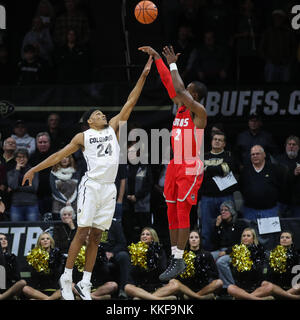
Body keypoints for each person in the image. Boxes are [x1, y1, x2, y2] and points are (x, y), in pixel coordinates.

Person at [22, 55, 153, 300]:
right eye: (99, 114)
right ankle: (67, 276)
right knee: (82, 232)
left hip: (109, 189)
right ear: (90, 121)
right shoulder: (83, 137)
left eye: (104, 113)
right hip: (91, 187)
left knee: (96, 237)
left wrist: (144, 73)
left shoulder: (114, 126)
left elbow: (131, 100)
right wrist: (33, 169)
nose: (104, 115)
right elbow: (57, 155)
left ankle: (85, 282)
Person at [139, 45, 207, 281]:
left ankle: (179, 258)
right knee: (170, 211)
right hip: (174, 164)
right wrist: (158, 59)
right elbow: (171, 84)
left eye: (187, 92)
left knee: (182, 210)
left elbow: (177, 85)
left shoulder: (199, 113)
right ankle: (174, 257)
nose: (181, 93)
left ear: (194, 96)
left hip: (190, 166)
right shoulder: (179, 110)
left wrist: (173, 64)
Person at [151, 230, 222, 300]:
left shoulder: (207, 255)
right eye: (191, 237)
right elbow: (175, 272)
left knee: (219, 282)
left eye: (196, 237)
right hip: (185, 287)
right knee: (173, 281)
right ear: (188, 240)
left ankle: (195, 295)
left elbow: (215, 274)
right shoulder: (181, 254)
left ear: (200, 240)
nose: (194, 239)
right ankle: (199, 297)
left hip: (203, 287)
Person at [199, 131, 239, 250]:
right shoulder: (203, 156)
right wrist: (216, 169)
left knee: (229, 225)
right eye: (215, 139)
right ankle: (208, 254)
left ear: (224, 143)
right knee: (206, 228)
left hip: (225, 197)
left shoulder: (229, 156)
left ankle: (226, 252)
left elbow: (225, 169)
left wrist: (207, 169)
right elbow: (198, 173)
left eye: (220, 140)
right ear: (211, 141)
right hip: (207, 198)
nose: (217, 141)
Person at [124, 227, 174, 300]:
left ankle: (146, 297)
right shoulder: (135, 251)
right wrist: (139, 262)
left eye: (147, 234)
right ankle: (158, 299)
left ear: (153, 238)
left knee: (174, 284)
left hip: (157, 287)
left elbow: (163, 270)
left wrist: (154, 259)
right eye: (142, 234)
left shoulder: (160, 251)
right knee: (127, 287)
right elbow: (132, 273)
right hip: (141, 288)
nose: (144, 236)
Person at [239, 145, 285, 221]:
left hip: (270, 211)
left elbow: (282, 187)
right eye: (252, 154)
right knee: (250, 232)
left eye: (257, 154)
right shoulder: (245, 170)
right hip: (249, 211)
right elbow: (241, 187)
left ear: (264, 155)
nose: (255, 156)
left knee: (270, 233)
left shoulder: (274, 169)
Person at [210, 201, 249, 292]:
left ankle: (230, 286)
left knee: (221, 262)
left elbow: (242, 243)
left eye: (226, 210)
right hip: (220, 250)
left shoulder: (240, 224)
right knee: (209, 256)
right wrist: (216, 226)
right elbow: (213, 243)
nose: (223, 212)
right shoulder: (220, 225)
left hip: (237, 251)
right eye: (221, 210)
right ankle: (213, 285)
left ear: (232, 212)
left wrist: (227, 251)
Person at [227, 228, 274, 300]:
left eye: (248, 236)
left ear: (253, 238)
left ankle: (245, 298)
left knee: (269, 286)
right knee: (230, 288)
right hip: (241, 288)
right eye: (244, 236)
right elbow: (235, 275)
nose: (245, 237)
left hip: (257, 287)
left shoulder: (261, 252)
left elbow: (263, 272)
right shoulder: (236, 252)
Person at [22, 232, 64, 300]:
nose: (45, 240)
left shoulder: (58, 255)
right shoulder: (34, 256)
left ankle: (48, 299)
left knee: (70, 286)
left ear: (51, 241)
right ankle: (49, 299)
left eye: (47, 238)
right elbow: (33, 276)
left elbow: (58, 274)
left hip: (56, 290)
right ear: (39, 242)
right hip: (39, 291)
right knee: (25, 288)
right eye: (42, 239)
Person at [263, 231, 300, 299]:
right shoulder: (271, 254)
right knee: (264, 283)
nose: (284, 239)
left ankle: (283, 296)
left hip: (292, 286)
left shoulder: (297, 254)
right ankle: (289, 296)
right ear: (279, 240)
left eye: (287, 237)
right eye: (282, 237)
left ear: (292, 241)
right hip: (276, 287)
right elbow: (267, 273)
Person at [7, 148, 40, 221]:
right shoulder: (11, 173)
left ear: (27, 158)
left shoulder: (33, 171)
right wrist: (17, 170)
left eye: (24, 157)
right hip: (16, 205)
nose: (21, 159)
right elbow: (14, 186)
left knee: (32, 229)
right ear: (15, 159)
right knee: (16, 229)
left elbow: (34, 188)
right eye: (19, 157)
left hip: (31, 204)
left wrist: (17, 188)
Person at [275, 135, 300, 217]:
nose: (291, 146)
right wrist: (293, 174)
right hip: (282, 200)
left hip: (298, 202)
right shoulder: (278, 160)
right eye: (289, 144)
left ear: (298, 147)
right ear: (285, 146)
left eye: (294, 144)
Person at [49, 154, 80, 220]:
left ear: (70, 159)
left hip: (73, 205)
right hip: (58, 205)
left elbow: (77, 189)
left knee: (73, 227)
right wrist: (65, 201)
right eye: (62, 157)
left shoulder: (75, 172)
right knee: (59, 228)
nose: (64, 159)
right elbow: (54, 190)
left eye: (66, 157)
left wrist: (70, 201)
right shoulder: (53, 173)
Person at [0, 233, 27, 300]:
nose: (4, 240)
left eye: (5, 239)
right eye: (1, 239)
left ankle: (2, 297)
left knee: (22, 282)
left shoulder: (12, 257)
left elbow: (17, 276)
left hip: (10, 287)